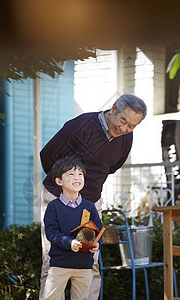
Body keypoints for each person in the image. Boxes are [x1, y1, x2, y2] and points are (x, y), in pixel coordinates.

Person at [39, 93, 147, 300]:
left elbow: (112, 166)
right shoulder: (81, 126)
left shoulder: (126, 138)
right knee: (55, 262)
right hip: (57, 199)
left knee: (90, 261)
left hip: (90, 204)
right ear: (114, 108)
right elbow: (48, 157)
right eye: (123, 120)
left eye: (132, 126)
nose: (124, 129)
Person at [41, 156, 102, 300]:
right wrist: (69, 242)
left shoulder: (90, 207)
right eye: (71, 174)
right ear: (59, 181)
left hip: (84, 266)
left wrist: (96, 245)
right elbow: (52, 233)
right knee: (50, 298)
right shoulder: (53, 206)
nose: (77, 177)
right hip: (59, 265)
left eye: (80, 174)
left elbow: (97, 230)